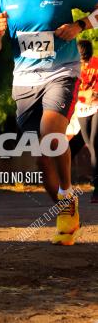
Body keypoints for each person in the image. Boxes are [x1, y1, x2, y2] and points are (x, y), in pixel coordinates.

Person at [0, 0, 98, 245]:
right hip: (24, 81)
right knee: (42, 158)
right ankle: (66, 208)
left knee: (51, 134)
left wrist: (80, 25)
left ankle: (66, 192)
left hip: (61, 72)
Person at [76, 39, 98, 202]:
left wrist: (94, 94)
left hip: (97, 106)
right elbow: (71, 90)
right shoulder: (73, 66)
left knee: (95, 144)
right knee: (90, 147)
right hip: (82, 110)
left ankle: (97, 188)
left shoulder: (96, 63)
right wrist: (84, 95)